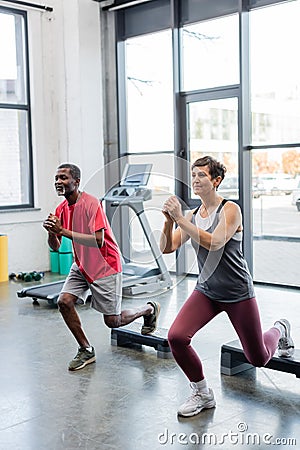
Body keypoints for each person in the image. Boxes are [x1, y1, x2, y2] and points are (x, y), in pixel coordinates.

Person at [160, 155, 294, 418]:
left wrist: (181, 219)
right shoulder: (192, 215)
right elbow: (168, 247)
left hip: (237, 293)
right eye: (194, 175)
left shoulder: (230, 209)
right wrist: (168, 221)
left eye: (202, 175)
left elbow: (215, 242)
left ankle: (280, 329)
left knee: (258, 358)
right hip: (207, 291)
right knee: (176, 337)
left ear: (216, 180)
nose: (196, 180)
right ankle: (202, 393)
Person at [43, 163, 160, 371]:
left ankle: (149, 309)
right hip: (81, 265)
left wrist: (64, 231)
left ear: (76, 182)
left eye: (63, 178)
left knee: (113, 321)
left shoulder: (91, 203)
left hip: (105, 265)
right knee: (64, 301)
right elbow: (56, 246)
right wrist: (52, 233)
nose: (58, 182)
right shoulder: (61, 209)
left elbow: (99, 240)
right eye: (56, 178)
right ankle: (86, 349)